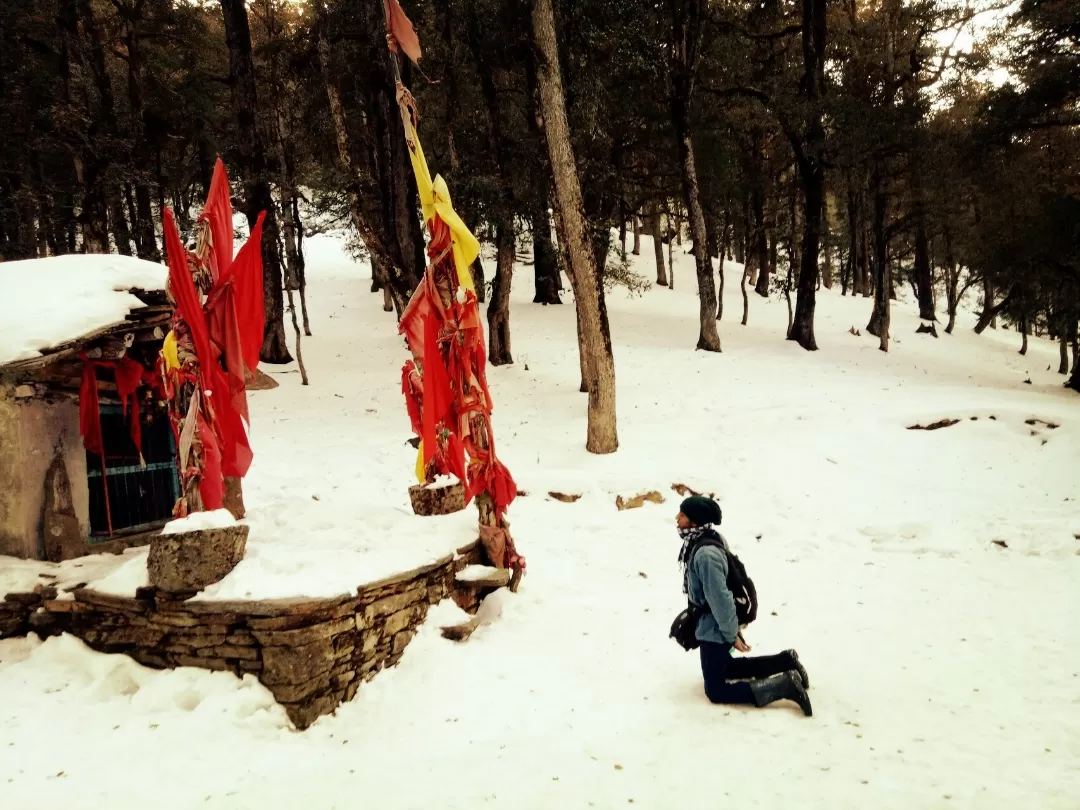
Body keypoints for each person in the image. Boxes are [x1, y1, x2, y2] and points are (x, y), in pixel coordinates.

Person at [678, 495, 813, 716]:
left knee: (716, 690)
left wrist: (731, 634)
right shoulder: (709, 538)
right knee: (727, 667)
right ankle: (785, 662)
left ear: (695, 521)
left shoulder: (705, 555)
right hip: (714, 622)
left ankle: (785, 685)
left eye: (682, 515)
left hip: (714, 626)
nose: (677, 518)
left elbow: (720, 599)